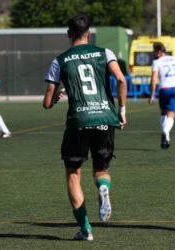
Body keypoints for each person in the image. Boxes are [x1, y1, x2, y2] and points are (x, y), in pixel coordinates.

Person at [43, 14, 127, 241]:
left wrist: (59, 94)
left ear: (69, 34)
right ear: (88, 34)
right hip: (105, 119)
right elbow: (121, 80)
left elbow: (47, 103)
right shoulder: (105, 53)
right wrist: (121, 111)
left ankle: (86, 229)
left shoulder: (59, 61)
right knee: (101, 170)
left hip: (78, 122)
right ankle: (103, 187)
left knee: (73, 174)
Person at [149, 42, 175, 149]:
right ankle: (166, 133)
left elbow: (154, 79)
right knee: (171, 114)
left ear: (158, 52)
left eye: (154, 51)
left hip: (164, 89)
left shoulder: (156, 62)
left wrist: (152, 95)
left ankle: (165, 134)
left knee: (163, 112)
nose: (153, 53)